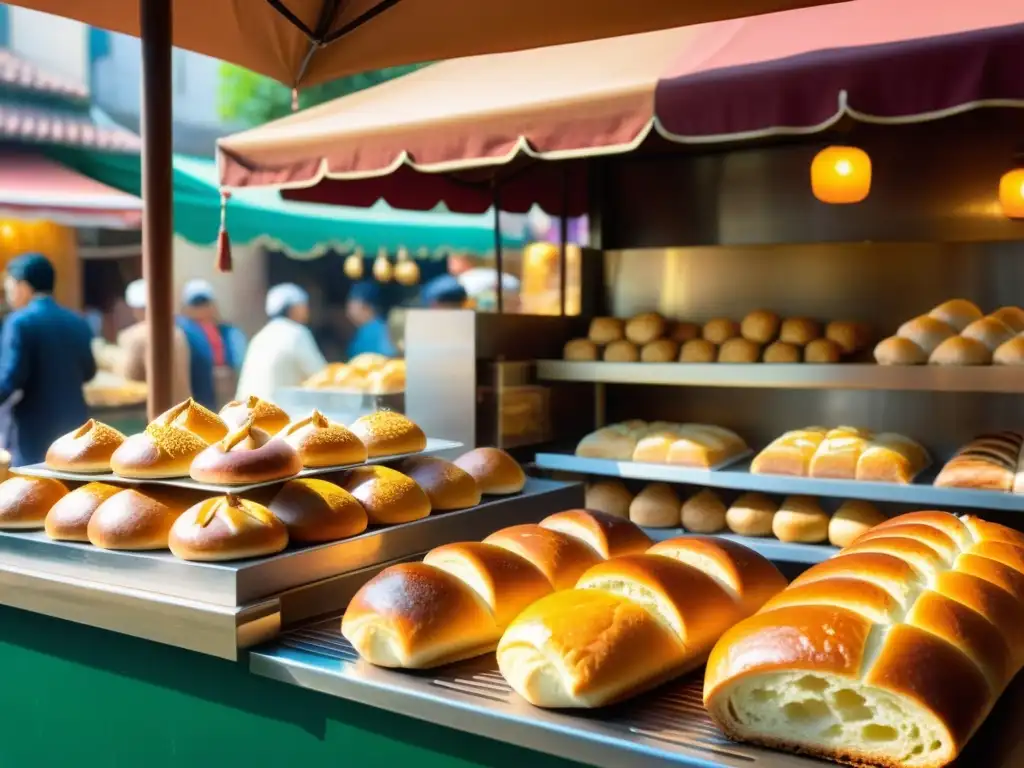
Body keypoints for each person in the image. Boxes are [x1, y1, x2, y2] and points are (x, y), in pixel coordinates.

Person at [0, 253, 96, 466]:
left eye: (8, 285)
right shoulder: (76, 321)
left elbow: (9, 380)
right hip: (75, 432)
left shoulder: (20, 322)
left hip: (33, 435)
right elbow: (89, 371)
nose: (7, 293)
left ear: (23, 286)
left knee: (31, 495)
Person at [236, 283, 328, 400]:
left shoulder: (260, 335)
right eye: (303, 306)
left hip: (247, 410)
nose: (307, 311)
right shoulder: (297, 333)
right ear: (293, 309)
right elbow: (320, 375)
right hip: (277, 412)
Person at [115, 279, 192, 403]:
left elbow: (130, 375)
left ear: (134, 308)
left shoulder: (136, 335)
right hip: (183, 409)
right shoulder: (177, 332)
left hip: (159, 413)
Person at [176, 279, 247, 409]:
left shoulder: (229, 333)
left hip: (225, 397)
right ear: (185, 307)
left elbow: (239, 362)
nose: (201, 308)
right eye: (196, 304)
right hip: (196, 397)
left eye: (205, 302)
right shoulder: (183, 330)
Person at [345, 281, 396, 359]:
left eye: (352, 305)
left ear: (365, 306)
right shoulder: (365, 330)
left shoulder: (372, 331)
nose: (348, 312)